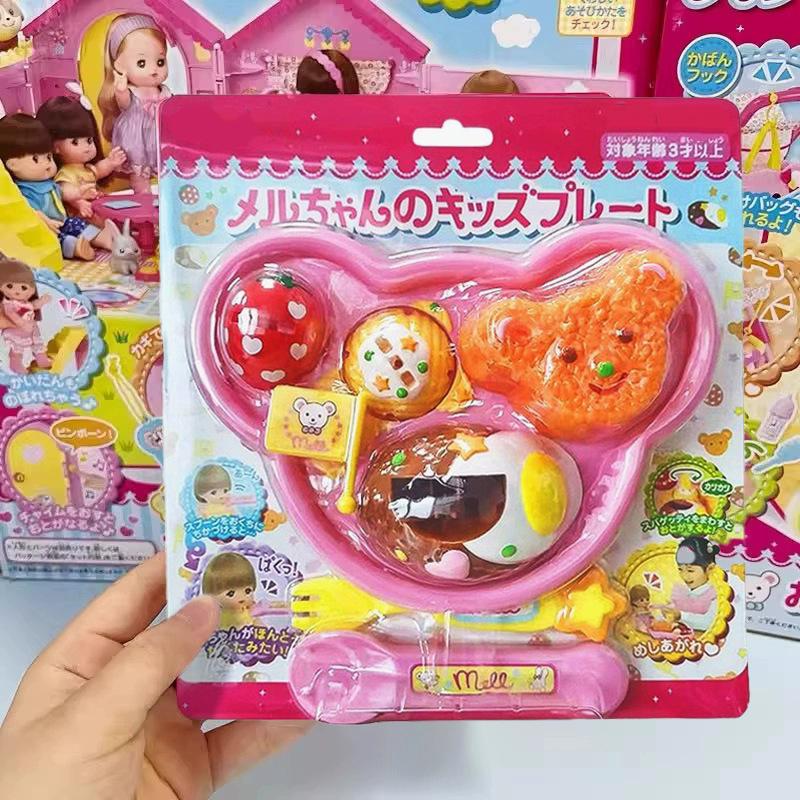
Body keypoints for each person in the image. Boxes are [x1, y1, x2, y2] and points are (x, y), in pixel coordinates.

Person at [0, 553, 309, 798]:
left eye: (247, 590)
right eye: (232, 592)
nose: (243, 596)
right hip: (214, 667)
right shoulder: (217, 618)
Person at [98, 14, 170, 194]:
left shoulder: (163, 90)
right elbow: (125, 105)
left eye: (160, 62)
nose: (154, 70)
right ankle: (142, 195)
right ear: (119, 65)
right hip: (137, 138)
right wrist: (121, 90)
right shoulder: (132, 92)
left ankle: (167, 195)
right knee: (139, 171)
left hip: (158, 135)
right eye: (141, 63)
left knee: (166, 168)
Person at [36, 96, 127, 218]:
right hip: (80, 215)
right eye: (75, 142)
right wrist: (79, 202)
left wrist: (111, 162)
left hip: (96, 208)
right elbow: (64, 192)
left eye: (89, 140)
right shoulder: (65, 174)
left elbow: (98, 171)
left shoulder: (86, 168)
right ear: (55, 147)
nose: (86, 147)